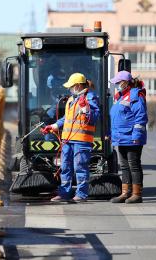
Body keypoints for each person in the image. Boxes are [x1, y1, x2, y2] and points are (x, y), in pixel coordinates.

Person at [41, 73, 100, 202]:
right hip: (68, 139)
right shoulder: (72, 99)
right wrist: (54, 126)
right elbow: (67, 118)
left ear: (78, 86)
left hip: (81, 140)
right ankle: (64, 193)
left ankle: (81, 194)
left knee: (80, 167)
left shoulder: (90, 97)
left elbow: (94, 118)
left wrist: (86, 109)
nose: (69, 89)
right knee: (65, 167)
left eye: (71, 86)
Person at [108, 70, 148, 204]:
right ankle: (125, 192)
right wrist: (111, 135)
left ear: (125, 82)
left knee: (134, 165)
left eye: (118, 82)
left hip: (132, 137)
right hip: (121, 137)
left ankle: (137, 194)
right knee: (124, 166)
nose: (117, 85)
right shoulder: (120, 96)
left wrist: (136, 135)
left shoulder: (135, 96)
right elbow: (116, 118)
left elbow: (141, 117)